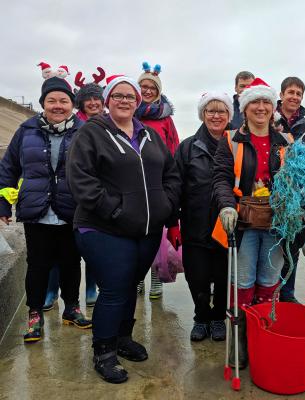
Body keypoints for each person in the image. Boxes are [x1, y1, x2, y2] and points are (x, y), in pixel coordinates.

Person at [67, 75, 181, 383]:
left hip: (146, 230)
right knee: (115, 288)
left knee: (130, 284)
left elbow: (171, 173)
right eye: (117, 95)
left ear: (137, 102)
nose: (124, 101)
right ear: (107, 100)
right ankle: (104, 351)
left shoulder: (150, 135)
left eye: (130, 96)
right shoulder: (92, 133)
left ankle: (122, 337)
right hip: (103, 227)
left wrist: (166, 206)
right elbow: (80, 179)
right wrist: (115, 210)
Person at [0, 74, 92, 343]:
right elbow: (8, 168)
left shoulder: (85, 131)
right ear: (43, 103)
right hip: (36, 210)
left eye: (64, 100)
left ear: (72, 104)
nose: (58, 106)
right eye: (52, 100)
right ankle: (35, 313)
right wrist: (3, 203)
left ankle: (72, 308)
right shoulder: (26, 130)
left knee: (71, 262)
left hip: (72, 209)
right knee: (37, 265)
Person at [213, 78, 290, 368]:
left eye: (266, 102)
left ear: (273, 108)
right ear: (244, 109)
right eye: (254, 102)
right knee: (243, 282)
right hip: (243, 222)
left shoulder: (287, 141)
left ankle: (263, 336)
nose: (260, 107)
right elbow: (221, 177)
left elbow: (298, 180)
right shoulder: (230, 140)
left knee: (269, 282)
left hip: (277, 223)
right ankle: (241, 342)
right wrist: (226, 205)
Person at [43, 71, 107, 311]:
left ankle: (91, 289)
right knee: (57, 250)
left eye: (96, 98)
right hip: (67, 195)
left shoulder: (109, 124)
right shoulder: (71, 123)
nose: (93, 103)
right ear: (80, 102)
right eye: (88, 99)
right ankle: (52, 291)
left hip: (96, 195)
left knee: (93, 249)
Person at [175, 92, 233, 341]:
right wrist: (172, 222)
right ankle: (201, 317)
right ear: (202, 114)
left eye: (221, 111)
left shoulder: (236, 144)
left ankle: (219, 317)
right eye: (211, 111)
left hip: (227, 224)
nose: (216, 116)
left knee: (223, 275)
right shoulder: (188, 147)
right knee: (196, 275)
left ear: (229, 115)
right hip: (194, 222)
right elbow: (175, 185)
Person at [135, 62, 181, 300]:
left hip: (158, 181)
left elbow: (174, 148)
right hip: (132, 181)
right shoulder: (128, 113)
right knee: (134, 232)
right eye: (143, 86)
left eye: (152, 87)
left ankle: (156, 278)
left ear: (158, 91)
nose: (147, 90)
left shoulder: (166, 119)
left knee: (157, 234)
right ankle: (137, 278)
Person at [275, 76, 305, 303]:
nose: (294, 97)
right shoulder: (269, 119)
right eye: (290, 92)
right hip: (270, 196)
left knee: (293, 246)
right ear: (281, 95)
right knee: (271, 247)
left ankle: (287, 294)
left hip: (298, 199)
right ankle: (267, 295)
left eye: (298, 94)